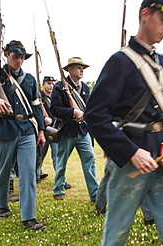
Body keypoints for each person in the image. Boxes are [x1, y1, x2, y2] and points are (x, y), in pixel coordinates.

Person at [84, 1, 163, 245]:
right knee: (118, 227)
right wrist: (131, 153)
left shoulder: (160, 62)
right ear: (145, 15)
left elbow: (161, 100)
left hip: (160, 150)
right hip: (132, 156)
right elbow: (95, 115)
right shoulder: (120, 61)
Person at [0, 40, 46, 231]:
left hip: (26, 128)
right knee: (2, 173)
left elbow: (36, 106)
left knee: (28, 174)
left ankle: (29, 216)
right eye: (15, 56)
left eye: (21, 57)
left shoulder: (29, 79)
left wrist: (41, 130)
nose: (19, 61)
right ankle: (1, 204)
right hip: (3, 129)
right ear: (6, 55)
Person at [50, 57, 98, 201]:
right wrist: (72, 113)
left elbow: (88, 107)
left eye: (82, 67)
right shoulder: (59, 87)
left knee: (90, 160)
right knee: (61, 162)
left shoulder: (85, 87)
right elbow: (54, 110)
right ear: (70, 70)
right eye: (78, 67)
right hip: (67, 130)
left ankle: (95, 194)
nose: (81, 70)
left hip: (82, 131)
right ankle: (59, 188)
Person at [35, 76, 57, 183]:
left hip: (56, 130)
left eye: (53, 83)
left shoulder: (56, 97)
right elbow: (34, 112)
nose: (51, 86)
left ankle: (60, 178)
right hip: (43, 130)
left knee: (57, 156)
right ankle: (36, 174)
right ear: (43, 84)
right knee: (39, 155)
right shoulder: (39, 97)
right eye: (48, 83)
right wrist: (44, 119)